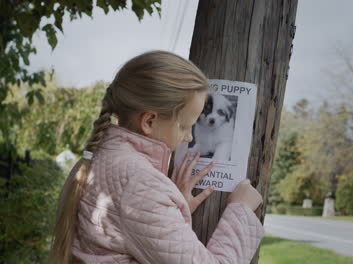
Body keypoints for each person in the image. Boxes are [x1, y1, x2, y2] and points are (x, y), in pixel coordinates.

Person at [48, 50, 265, 264]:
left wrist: (171, 211)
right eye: (184, 126)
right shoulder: (141, 184)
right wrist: (241, 211)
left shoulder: (100, 158)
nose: (189, 137)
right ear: (149, 121)